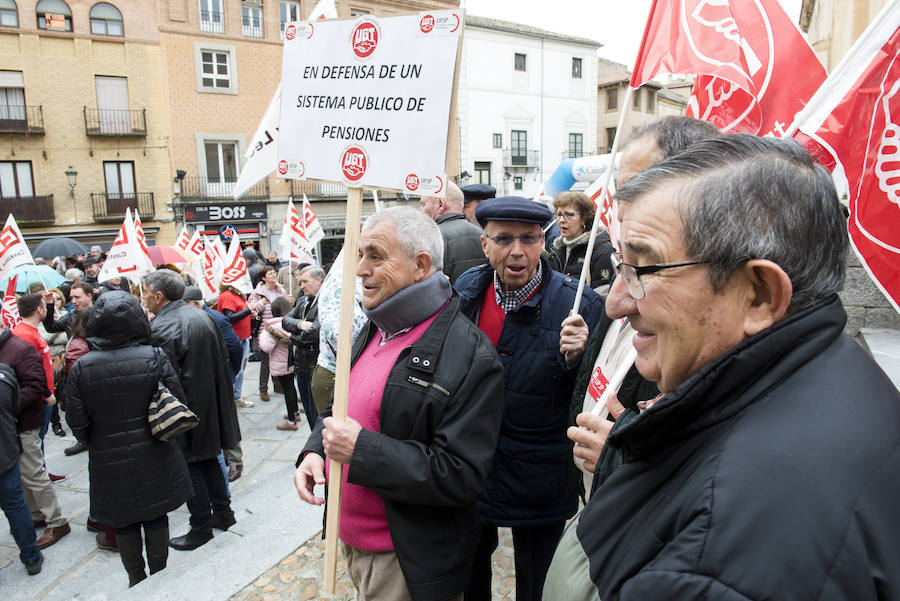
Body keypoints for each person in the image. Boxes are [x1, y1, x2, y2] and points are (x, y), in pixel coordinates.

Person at [546, 134, 900, 600]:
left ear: (757, 294)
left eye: (643, 269)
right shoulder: (834, 369)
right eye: (620, 265)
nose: (615, 304)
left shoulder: (718, 556)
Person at [295, 206, 504, 601]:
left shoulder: (470, 355)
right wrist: (314, 452)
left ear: (421, 265)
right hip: (355, 545)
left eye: (375, 256)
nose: (359, 269)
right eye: (359, 254)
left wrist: (362, 450)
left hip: (404, 560)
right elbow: (342, 408)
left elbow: (459, 474)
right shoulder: (377, 327)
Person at [453, 197, 605, 601]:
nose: (517, 251)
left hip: (541, 475)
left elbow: (598, 397)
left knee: (538, 584)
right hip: (471, 466)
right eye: (504, 239)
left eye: (529, 238)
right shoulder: (464, 291)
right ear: (485, 245)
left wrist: (578, 360)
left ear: (543, 241)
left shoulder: (580, 304)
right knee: (469, 578)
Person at [564, 115, 720, 502]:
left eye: (639, 189)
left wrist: (619, 462)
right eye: (621, 192)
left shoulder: (714, 335)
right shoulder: (626, 273)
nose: (615, 305)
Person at [64, 291, 193, 587]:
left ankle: (136, 578)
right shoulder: (155, 356)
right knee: (156, 513)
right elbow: (178, 400)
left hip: (109, 457)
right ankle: (160, 575)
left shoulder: (82, 366)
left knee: (124, 520)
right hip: (155, 450)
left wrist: (97, 438)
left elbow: (77, 422)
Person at [142, 269, 241, 551]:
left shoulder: (162, 327)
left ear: (159, 296)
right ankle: (224, 513)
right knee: (208, 459)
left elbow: (166, 378)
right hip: (209, 403)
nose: (144, 299)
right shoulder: (200, 315)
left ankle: (200, 526)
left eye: (146, 294)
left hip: (186, 408)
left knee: (191, 466)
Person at [0, 309, 69, 550]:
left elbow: (35, 385)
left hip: (24, 421)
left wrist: (7, 405)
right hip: (9, 425)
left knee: (33, 472)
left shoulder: (19, 348)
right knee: (22, 473)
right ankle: (36, 514)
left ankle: (57, 521)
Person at [0, 355, 43, 575]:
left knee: (16, 505)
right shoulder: (5, 375)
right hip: (5, 453)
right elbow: (14, 407)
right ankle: (31, 556)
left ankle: (31, 554)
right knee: (15, 505)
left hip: (5, 453)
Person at [545, 191, 615, 295]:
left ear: (584, 218)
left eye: (569, 215)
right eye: (559, 214)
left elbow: (602, 299)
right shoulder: (555, 250)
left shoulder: (601, 250)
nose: (561, 220)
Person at [419, 180, 488, 284]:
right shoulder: (482, 235)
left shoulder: (431, 239)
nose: (420, 210)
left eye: (423, 204)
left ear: (441, 204)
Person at [281, 265, 323, 430]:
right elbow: (285, 320)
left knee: (316, 413)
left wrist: (293, 336)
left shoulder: (325, 301)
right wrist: (300, 324)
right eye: (300, 282)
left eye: (305, 281)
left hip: (314, 365)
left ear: (318, 280)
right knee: (308, 410)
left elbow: (313, 334)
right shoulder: (303, 300)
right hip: (300, 365)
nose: (301, 286)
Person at [259, 297, 300, 431]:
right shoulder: (292, 323)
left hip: (281, 364)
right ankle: (295, 413)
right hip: (292, 361)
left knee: (287, 390)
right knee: (291, 388)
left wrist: (263, 334)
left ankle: (292, 421)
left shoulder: (274, 327)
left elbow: (266, 347)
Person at [248, 265, 289, 402]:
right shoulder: (257, 293)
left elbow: (286, 308)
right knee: (265, 361)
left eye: (274, 272)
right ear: (263, 277)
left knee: (279, 359)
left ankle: (278, 385)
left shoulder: (281, 290)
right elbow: (252, 310)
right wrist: (261, 303)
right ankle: (263, 389)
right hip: (264, 331)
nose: (273, 275)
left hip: (280, 329)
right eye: (270, 273)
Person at [40, 288, 68, 438]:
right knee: (53, 392)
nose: (55, 301)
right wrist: (60, 332)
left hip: (65, 357)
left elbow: (69, 335)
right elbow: (45, 337)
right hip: (52, 359)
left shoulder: (66, 315)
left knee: (66, 393)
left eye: (58, 299)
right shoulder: (43, 321)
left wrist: (57, 333)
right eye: (53, 299)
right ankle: (56, 424)